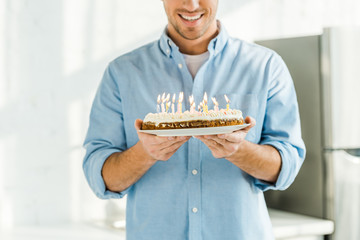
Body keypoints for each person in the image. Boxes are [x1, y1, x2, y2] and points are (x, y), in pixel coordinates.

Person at [83, 0, 306, 239]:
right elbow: (101, 177)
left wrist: (238, 150)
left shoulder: (266, 67)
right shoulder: (122, 73)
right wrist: (145, 152)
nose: (191, 4)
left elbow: (287, 168)